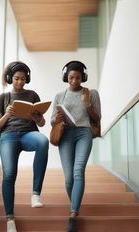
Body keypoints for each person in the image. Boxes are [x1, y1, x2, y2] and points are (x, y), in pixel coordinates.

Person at [0, 61, 49, 232]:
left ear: (27, 79)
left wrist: (37, 117)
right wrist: (7, 115)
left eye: (23, 79)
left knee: (43, 141)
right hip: (8, 136)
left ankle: (35, 195)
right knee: (9, 174)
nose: (19, 82)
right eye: (16, 78)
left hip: (28, 133)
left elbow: (42, 122)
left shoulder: (32, 95)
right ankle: (10, 218)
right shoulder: (2, 98)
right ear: (10, 78)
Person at [51, 61, 101, 232]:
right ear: (66, 77)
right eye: (71, 77)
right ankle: (75, 204)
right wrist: (56, 119)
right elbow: (52, 121)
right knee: (68, 178)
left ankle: (73, 214)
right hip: (65, 134)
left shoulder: (91, 93)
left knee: (78, 170)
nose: (74, 81)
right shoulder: (59, 96)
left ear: (83, 77)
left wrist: (87, 103)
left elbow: (97, 118)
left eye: (78, 77)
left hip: (84, 133)